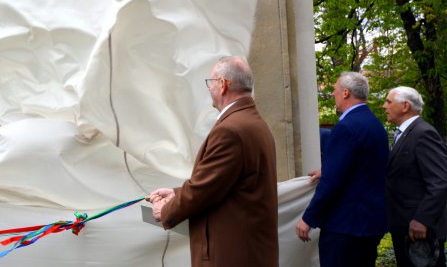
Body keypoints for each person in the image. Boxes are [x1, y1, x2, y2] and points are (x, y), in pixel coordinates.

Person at [147, 56, 278, 266]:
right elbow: (222, 183)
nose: (209, 88)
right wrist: (176, 193)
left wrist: (165, 211)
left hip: (231, 253)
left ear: (224, 85)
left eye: (211, 82)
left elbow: (203, 190)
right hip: (248, 250)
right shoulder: (253, 122)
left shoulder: (231, 130)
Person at [295, 71, 389, 266]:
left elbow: (332, 183)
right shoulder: (375, 125)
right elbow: (366, 167)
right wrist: (327, 170)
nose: (333, 94)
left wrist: (308, 218)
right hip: (370, 224)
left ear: (345, 93)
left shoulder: (346, 127)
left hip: (345, 227)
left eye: (335, 90)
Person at [384, 86, 447, 267]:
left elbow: (440, 181)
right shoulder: (405, 134)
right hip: (405, 227)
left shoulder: (423, 133)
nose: (384, 106)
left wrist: (422, 220)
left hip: (420, 231)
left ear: (405, 106)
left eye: (389, 101)